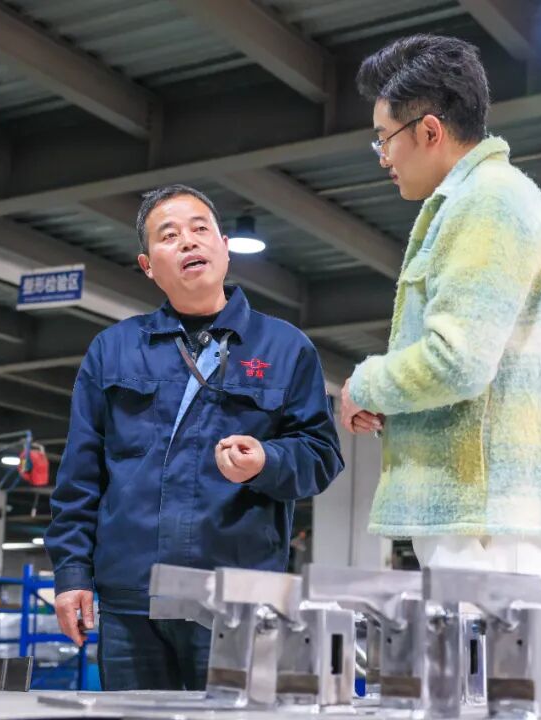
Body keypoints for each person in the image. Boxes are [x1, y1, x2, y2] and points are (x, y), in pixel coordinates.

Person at [46, 184, 343, 691]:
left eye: (200, 229)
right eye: (169, 235)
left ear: (224, 247)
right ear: (147, 265)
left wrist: (267, 461)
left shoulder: (285, 347)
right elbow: (80, 474)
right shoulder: (113, 350)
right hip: (132, 602)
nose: (187, 241)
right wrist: (72, 574)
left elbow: (321, 454)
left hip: (236, 598)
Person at [339, 35, 541, 584]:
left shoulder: (487, 199)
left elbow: (457, 362)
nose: (383, 157)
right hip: (481, 510)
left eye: (384, 139)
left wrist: (364, 386)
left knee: (482, 645)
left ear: (429, 131)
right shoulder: (478, 198)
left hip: (487, 518)